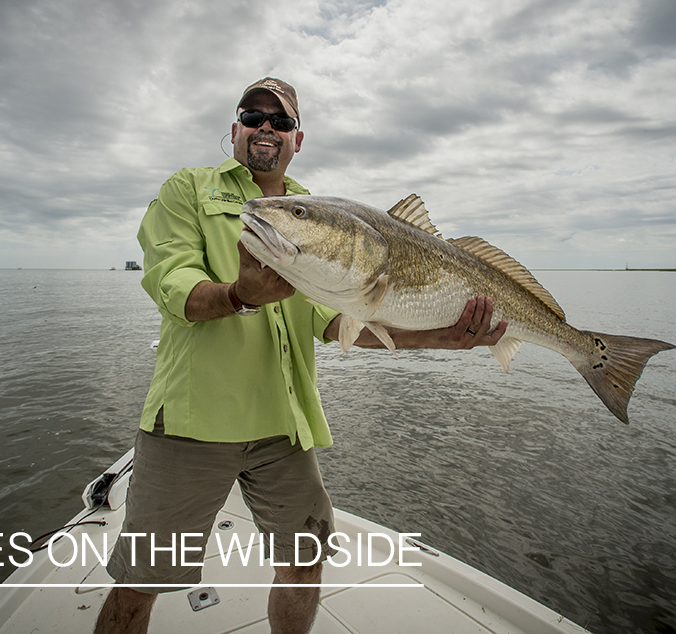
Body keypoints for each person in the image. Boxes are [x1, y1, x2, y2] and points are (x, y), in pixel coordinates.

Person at [94, 77, 506, 634]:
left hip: (282, 428)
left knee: (305, 562)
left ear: (297, 138)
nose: (266, 126)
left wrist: (447, 336)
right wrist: (239, 295)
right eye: (253, 115)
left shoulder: (318, 213)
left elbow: (336, 323)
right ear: (235, 127)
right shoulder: (188, 190)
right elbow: (173, 285)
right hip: (193, 423)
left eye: (280, 120)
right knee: (141, 579)